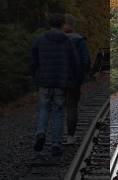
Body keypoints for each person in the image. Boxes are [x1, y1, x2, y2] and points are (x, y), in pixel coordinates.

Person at [31, 13, 80, 156]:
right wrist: (75, 80)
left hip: (44, 81)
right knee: (58, 112)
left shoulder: (40, 40)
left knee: (43, 109)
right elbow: (74, 62)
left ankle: (40, 133)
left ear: (50, 24)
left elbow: (34, 62)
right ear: (62, 24)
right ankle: (56, 144)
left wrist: (35, 77)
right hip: (61, 82)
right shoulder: (67, 41)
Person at [63, 14, 91, 145]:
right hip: (72, 80)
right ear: (72, 25)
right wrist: (82, 78)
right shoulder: (78, 40)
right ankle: (70, 136)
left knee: (53, 109)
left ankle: (54, 138)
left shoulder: (49, 38)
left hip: (53, 81)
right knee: (71, 107)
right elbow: (85, 61)